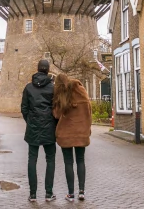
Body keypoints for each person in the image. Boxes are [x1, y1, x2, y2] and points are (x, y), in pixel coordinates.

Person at [21, 59, 57, 203]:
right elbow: (56, 108)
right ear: (48, 70)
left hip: (33, 128)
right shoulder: (53, 88)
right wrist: (54, 123)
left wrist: (30, 122)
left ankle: (33, 194)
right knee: (50, 160)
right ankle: (48, 194)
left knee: (32, 159)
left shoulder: (28, 88)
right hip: (49, 128)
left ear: (37, 69)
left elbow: (24, 108)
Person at [53, 73, 92, 202]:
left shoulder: (61, 94)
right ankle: (82, 191)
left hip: (66, 134)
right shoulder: (81, 90)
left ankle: (70, 193)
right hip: (81, 132)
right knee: (81, 160)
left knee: (68, 162)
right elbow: (88, 109)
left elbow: (57, 115)